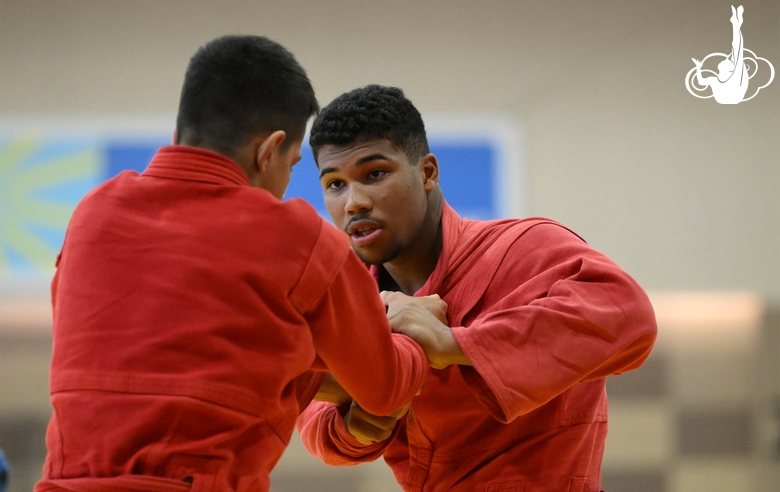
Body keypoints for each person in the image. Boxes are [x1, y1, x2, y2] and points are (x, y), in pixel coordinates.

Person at [35, 38, 429, 492]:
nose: (285, 184)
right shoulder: (297, 238)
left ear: (181, 131)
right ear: (269, 151)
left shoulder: (91, 214)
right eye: (293, 164)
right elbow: (385, 388)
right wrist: (412, 328)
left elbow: (159, 351)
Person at [297, 85, 658, 491]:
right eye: (335, 184)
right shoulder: (348, 301)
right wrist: (354, 428)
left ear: (428, 173)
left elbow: (629, 314)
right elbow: (312, 413)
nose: (354, 202)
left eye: (374, 174)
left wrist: (454, 344)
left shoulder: (524, 247)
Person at [692, 5, 748, 104]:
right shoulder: (716, 80)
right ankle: (736, 23)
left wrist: (698, 67)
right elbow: (700, 82)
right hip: (729, 97)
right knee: (737, 51)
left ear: (729, 69)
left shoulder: (733, 77)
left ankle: (736, 23)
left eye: (727, 61)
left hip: (732, 96)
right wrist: (698, 67)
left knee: (737, 50)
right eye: (728, 60)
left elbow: (737, 49)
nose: (724, 59)